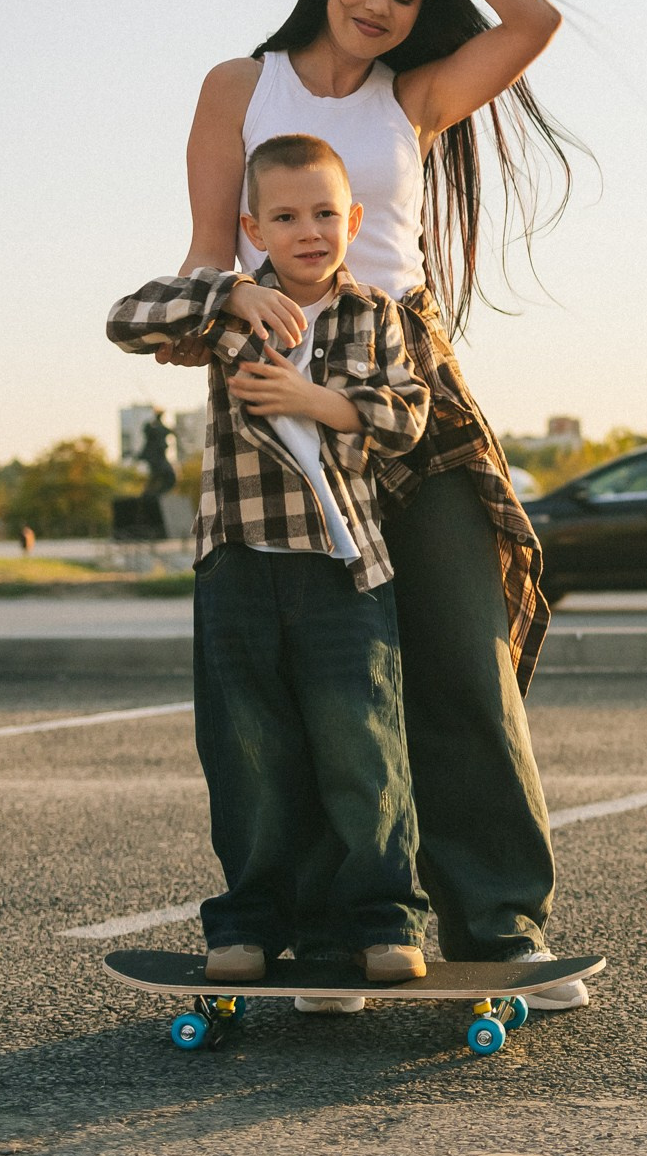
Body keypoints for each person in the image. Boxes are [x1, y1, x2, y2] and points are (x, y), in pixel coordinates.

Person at [160, 0, 589, 1008]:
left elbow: (535, 23)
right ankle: (326, 930)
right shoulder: (235, 88)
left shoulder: (417, 95)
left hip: (409, 388)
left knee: (461, 649)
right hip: (282, 389)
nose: (385, 5)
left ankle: (500, 924)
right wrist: (205, 325)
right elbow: (211, 250)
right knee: (308, 681)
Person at [109, 134, 434, 987]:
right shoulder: (228, 310)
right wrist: (229, 290)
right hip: (240, 563)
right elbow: (126, 320)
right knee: (248, 754)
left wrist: (314, 400)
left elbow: (408, 419)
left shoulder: (375, 315)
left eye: (326, 213)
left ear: (354, 219)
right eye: (286, 217)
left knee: (363, 749)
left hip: (344, 569)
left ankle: (381, 920)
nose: (310, 231)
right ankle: (249, 923)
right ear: (254, 228)